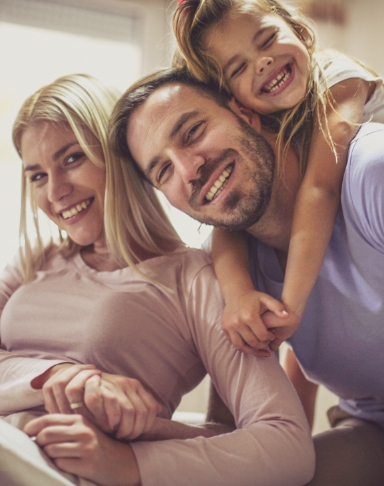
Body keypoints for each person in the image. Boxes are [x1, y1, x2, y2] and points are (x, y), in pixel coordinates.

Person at [0, 74, 315, 486]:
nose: (56, 191)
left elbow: (287, 446)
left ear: (120, 157)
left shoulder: (194, 278)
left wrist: (132, 460)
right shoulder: (32, 262)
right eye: (38, 175)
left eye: (73, 158)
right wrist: (58, 376)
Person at [110, 66, 384, 486]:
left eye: (192, 132)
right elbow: (238, 433)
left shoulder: (370, 172)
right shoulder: (230, 273)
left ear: (245, 113)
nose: (189, 170)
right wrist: (134, 440)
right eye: (163, 171)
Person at [171, 0, 384, 356]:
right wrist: (238, 294)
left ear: (299, 30)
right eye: (239, 68)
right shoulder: (266, 126)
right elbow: (228, 228)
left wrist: (291, 307)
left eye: (268, 39)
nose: (263, 62)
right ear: (234, 102)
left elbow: (321, 187)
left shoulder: (336, 75)